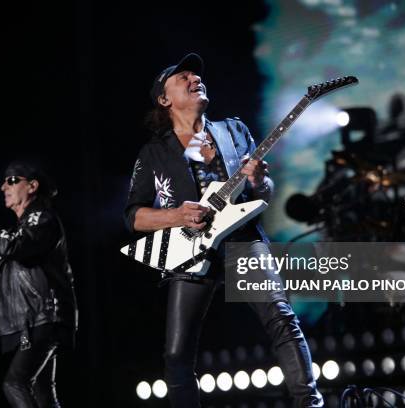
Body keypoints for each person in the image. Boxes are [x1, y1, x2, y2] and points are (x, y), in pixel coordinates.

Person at [124, 53, 323, 407]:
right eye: (182, 76)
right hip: (189, 250)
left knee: (282, 320)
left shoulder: (233, 130)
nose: (194, 78)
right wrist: (176, 216)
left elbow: (262, 193)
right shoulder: (153, 153)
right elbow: (134, 217)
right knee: (176, 354)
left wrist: (261, 182)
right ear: (164, 99)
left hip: (243, 240)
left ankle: (310, 403)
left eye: (196, 74)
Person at [0, 161, 77, 408]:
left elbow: (11, 247)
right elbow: (2, 281)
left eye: (11, 180)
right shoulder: (21, 231)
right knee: (43, 394)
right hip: (35, 319)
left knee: (14, 383)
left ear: (32, 186)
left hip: (44, 316)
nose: (3, 187)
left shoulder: (43, 219)